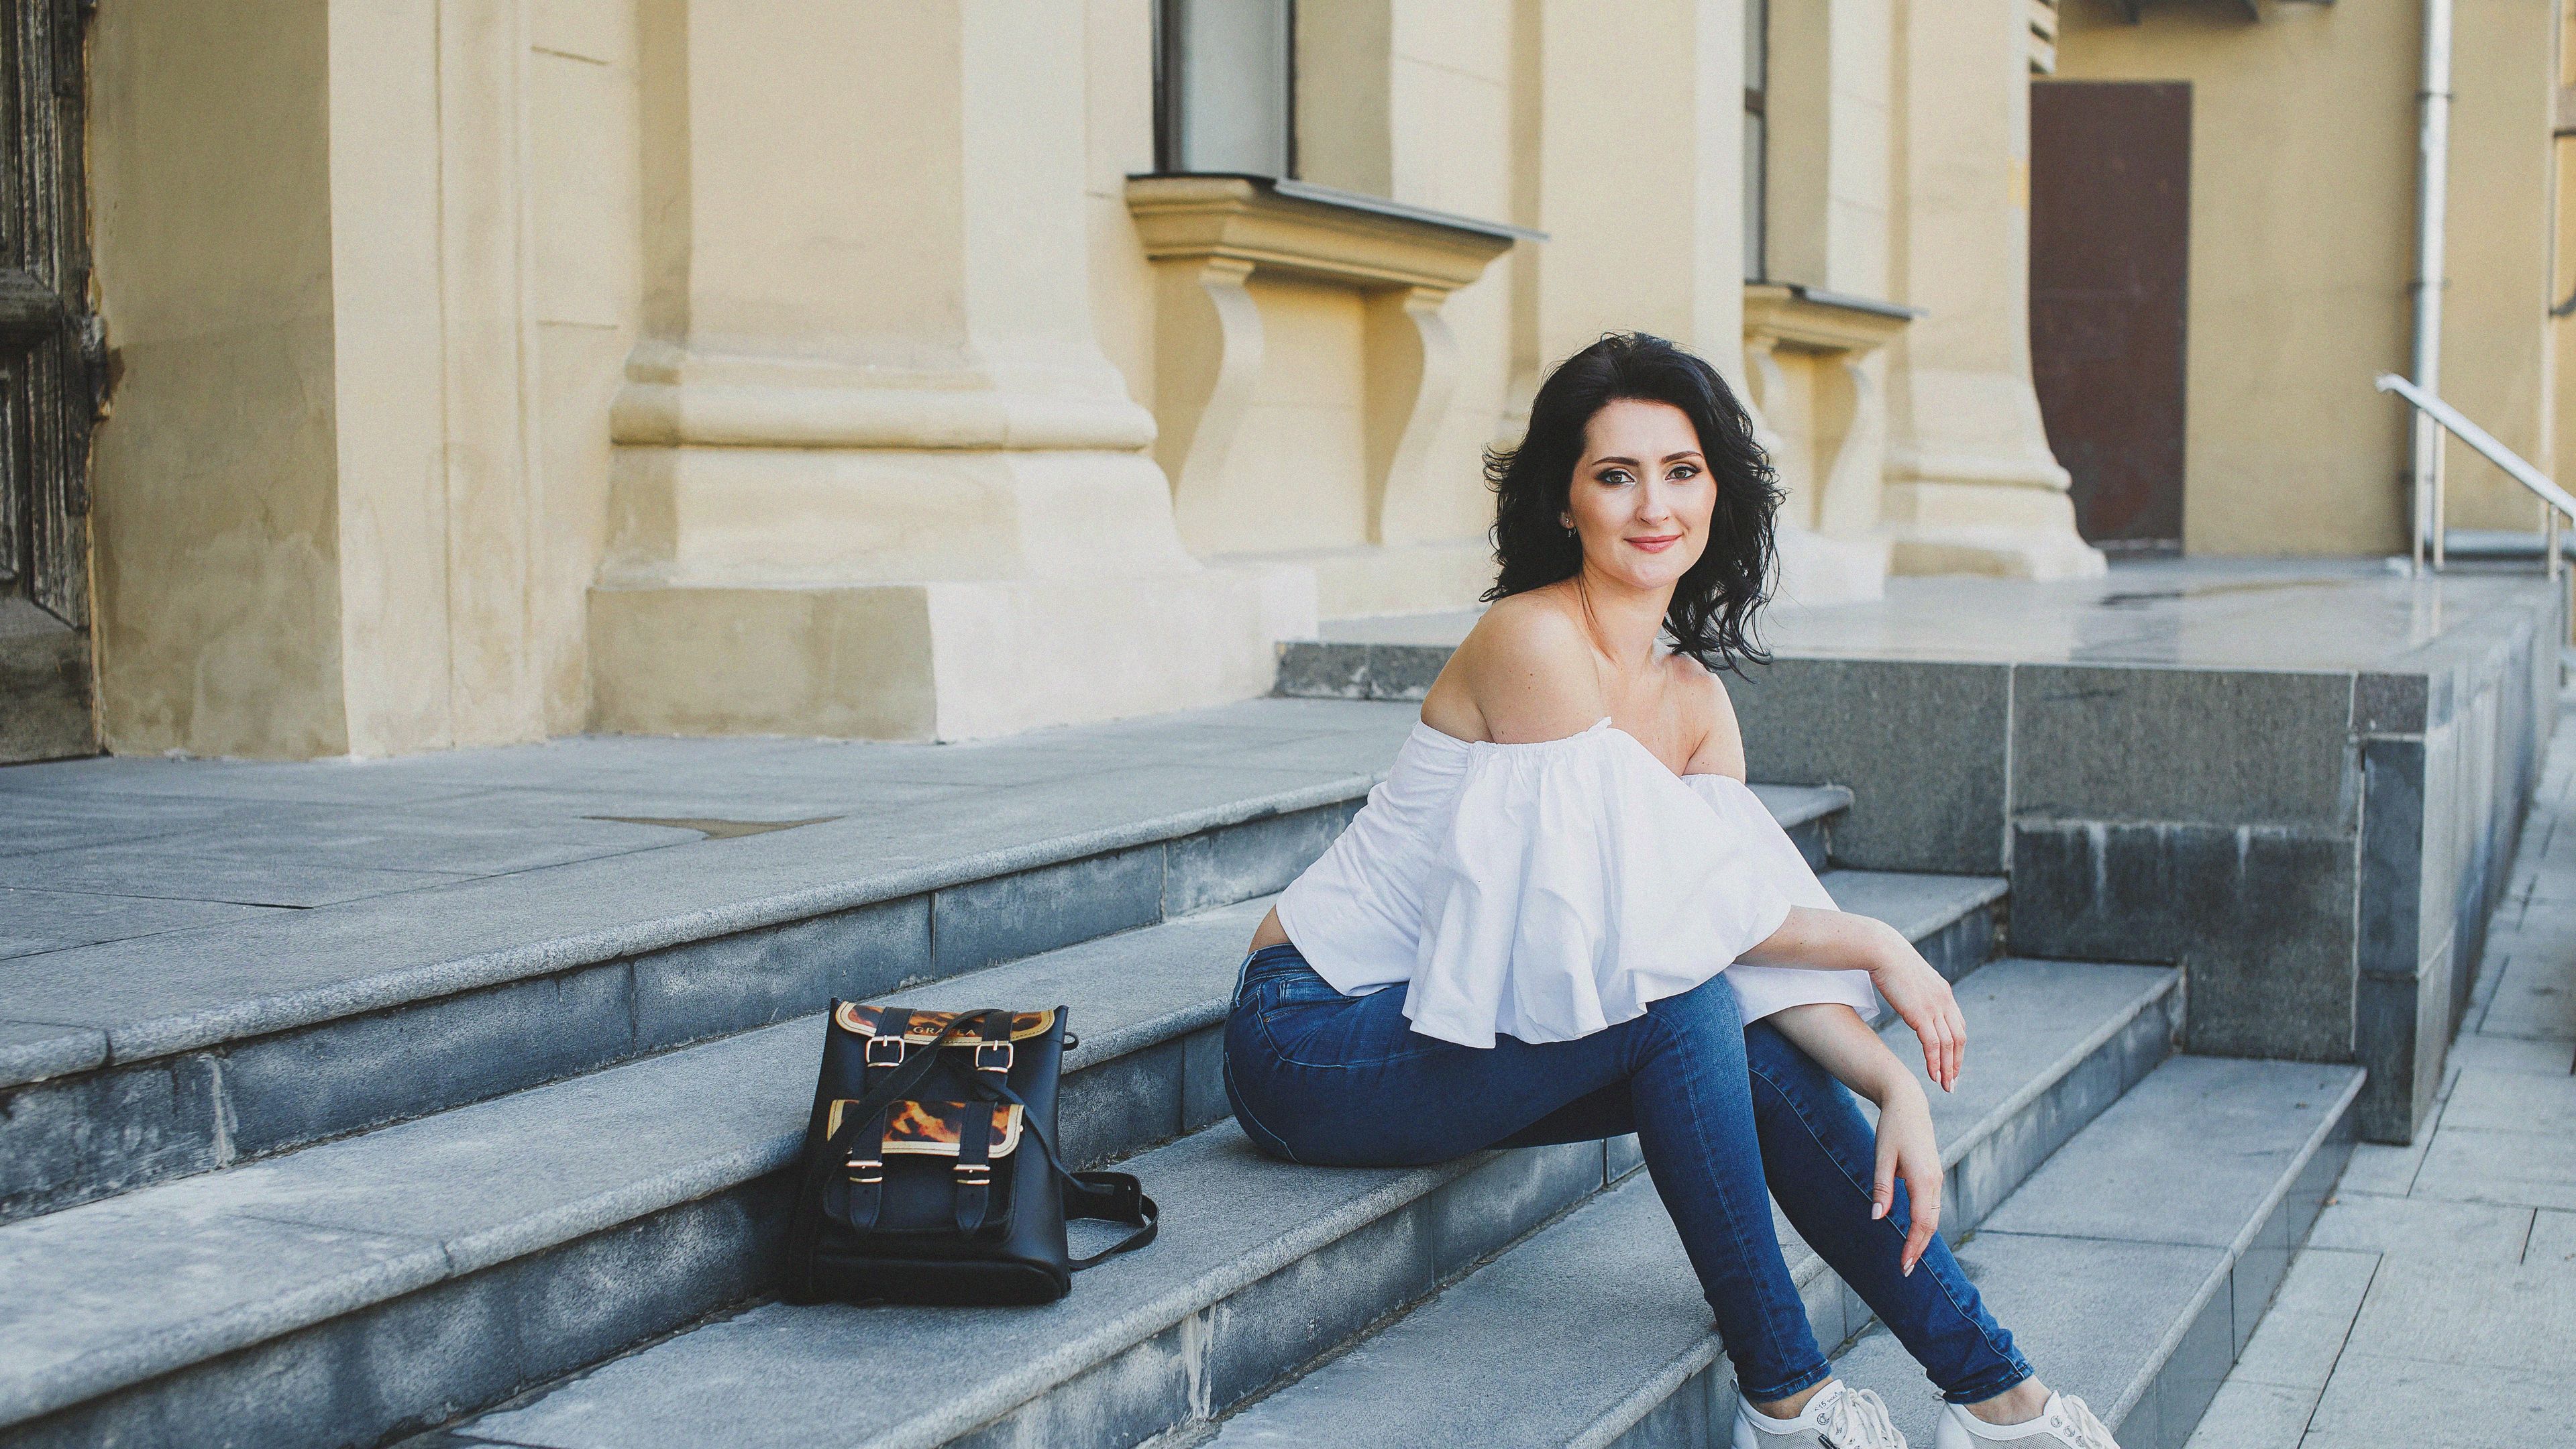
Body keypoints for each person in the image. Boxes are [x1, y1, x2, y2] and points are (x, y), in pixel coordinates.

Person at [1222, 333, 2121, 1449]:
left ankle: (1999, 1399)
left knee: (1724, 1019)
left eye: (1682, 471)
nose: (1655, 505)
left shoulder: (1695, 701)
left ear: (1717, 493)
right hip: (1312, 1033)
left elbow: (1736, 943)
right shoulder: (1531, 641)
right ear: (1565, 504)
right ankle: (1786, 1397)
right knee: (1679, 997)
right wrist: (1877, 941)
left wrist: (1892, 1081)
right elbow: (1664, 925)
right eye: (1616, 474)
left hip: (1465, 1024)